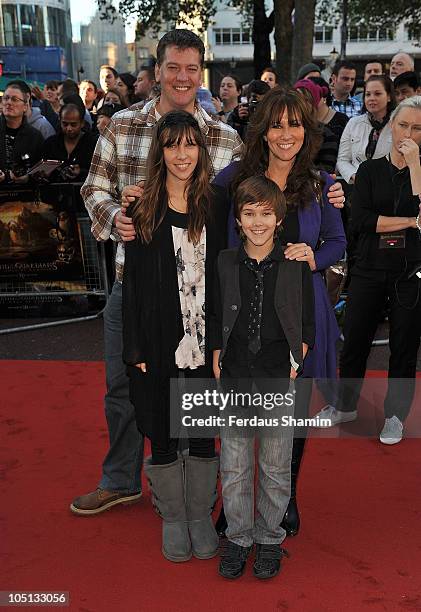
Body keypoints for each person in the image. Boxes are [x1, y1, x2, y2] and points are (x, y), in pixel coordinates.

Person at [72, 28, 242, 517]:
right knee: (123, 386)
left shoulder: (225, 138)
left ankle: (195, 486)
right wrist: (116, 220)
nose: (182, 77)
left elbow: (253, 202)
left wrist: (325, 194)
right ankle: (120, 479)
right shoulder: (121, 126)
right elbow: (92, 190)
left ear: (201, 72)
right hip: (134, 287)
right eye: (173, 67)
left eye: (192, 68)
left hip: (201, 294)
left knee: (198, 388)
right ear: (158, 69)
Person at [213, 88, 346, 538]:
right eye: (276, 124)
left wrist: (315, 257)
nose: (285, 134)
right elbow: (192, 194)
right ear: (263, 131)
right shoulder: (234, 179)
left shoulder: (322, 184)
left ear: (306, 131)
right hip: (244, 314)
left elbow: (338, 242)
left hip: (302, 312)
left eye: (294, 124)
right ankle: (235, 504)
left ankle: (283, 497)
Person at [123, 110, 228, 563]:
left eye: (189, 145)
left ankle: (200, 514)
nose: (181, 154)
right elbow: (133, 284)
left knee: (203, 429)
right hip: (159, 333)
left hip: (207, 336)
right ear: (160, 152)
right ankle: (172, 515)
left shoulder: (217, 203)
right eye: (171, 145)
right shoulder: (142, 206)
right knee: (163, 428)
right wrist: (135, 345)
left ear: (201, 150)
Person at [211, 175, 315, 580]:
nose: (257, 222)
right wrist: (218, 357)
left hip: (276, 375)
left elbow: (306, 324)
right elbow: (217, 314)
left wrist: (296, 360)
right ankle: (238, 536)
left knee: (274, 466)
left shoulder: (294, 264)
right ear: (237, 219)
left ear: (279, 218)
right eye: (249, 213)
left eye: (266, 214)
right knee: (235, 464)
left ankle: (269, 537)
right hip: (235, 373)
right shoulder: (223, 261)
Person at [317, 96, 421, 445]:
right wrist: (409, 221)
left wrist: (416, 167)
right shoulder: (369, 171)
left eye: (418, 128)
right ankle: (345, 405)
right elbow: (360, 222)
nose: (409, 133)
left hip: (411, 273)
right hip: (368, 267)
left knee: (404, 346)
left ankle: (394, 416)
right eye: (404, 124)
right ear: (392, 125)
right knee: (356, 340)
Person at [336, 75, 396, 184]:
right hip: (358, 187)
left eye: (377, 94)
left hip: (389, 186)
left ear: (389, 97)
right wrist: (356, 177)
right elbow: (342, 160)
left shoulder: (398, 124)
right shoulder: (353, 123)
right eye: (368, 94)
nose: (372, 98)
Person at [0, 80, 43, 184]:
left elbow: (41, 172)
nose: (9, 102)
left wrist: (28, 178)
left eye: (14, 99)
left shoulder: (35, 136)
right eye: (6, 98)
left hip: (24, 195)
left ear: (25, 106)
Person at [41, 103, 97, 182]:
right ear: (60, 121)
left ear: (82, 123)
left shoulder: (93, 144)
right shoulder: (50, 143)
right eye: (65, 124)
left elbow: (101, 173)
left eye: (73, 124)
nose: (69, 128)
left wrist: (81, 172)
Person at [294, 78, 339, 174]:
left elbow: (326, 170)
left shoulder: (327, 135)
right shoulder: (284, 131)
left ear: (313, 103)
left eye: (306, 100)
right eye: (297, 99)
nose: (301, 104)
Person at [308, 76, 349, 140]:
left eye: (312, 95)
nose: (307, 101)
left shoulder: (342, 121)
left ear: (324, 97)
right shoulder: (302, 120)